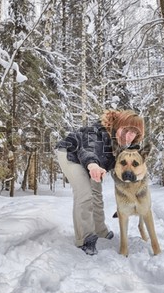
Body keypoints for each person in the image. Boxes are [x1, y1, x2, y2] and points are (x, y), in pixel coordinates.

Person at [56, 109, 145, 255]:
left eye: (133, 132)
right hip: (71, 155)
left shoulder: (125, 146)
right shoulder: (96, 133)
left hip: (96, 164)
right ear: (118, 125)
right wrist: (92, 165)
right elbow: (89, 149)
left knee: (96, 193)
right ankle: (85, 238)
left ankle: (100, 230)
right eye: (125, 129)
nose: (128, 135)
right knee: (85, 193)